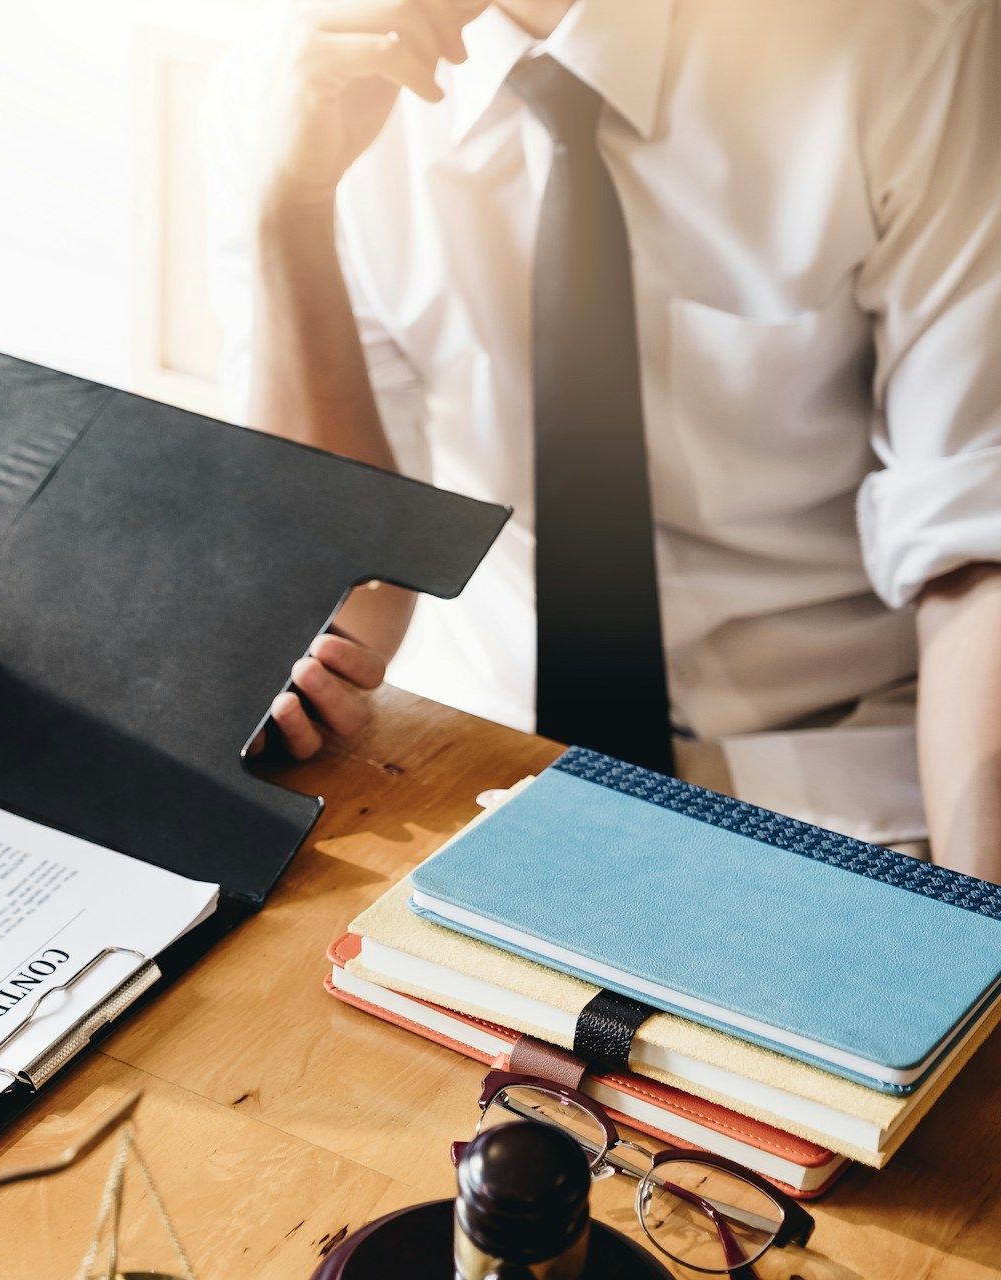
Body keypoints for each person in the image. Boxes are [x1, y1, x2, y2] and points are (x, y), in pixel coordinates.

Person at [211, 0, 1001, 882]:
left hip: (846, 781)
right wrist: (295, 206)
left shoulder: (918, 41)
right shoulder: (295, 67)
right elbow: (352, 605)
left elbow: (979, 543)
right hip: (488, 768)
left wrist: (982, 947)